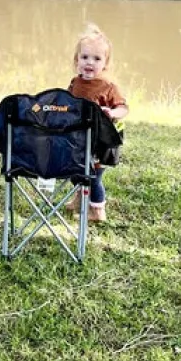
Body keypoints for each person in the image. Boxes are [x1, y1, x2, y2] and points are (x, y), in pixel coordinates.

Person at [66, 24, 128, 222]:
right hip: (80, 138)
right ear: (77, 60)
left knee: (94, 176)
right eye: (84, 57)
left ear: (105, 64)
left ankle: (97, 210)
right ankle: (79, 197)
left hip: (102, 141)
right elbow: (66, 103)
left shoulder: (108, 87)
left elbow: (124, 108)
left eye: (97, 58)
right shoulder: (75, 83)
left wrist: (112, 112)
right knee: (76, 170)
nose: (89, 62)